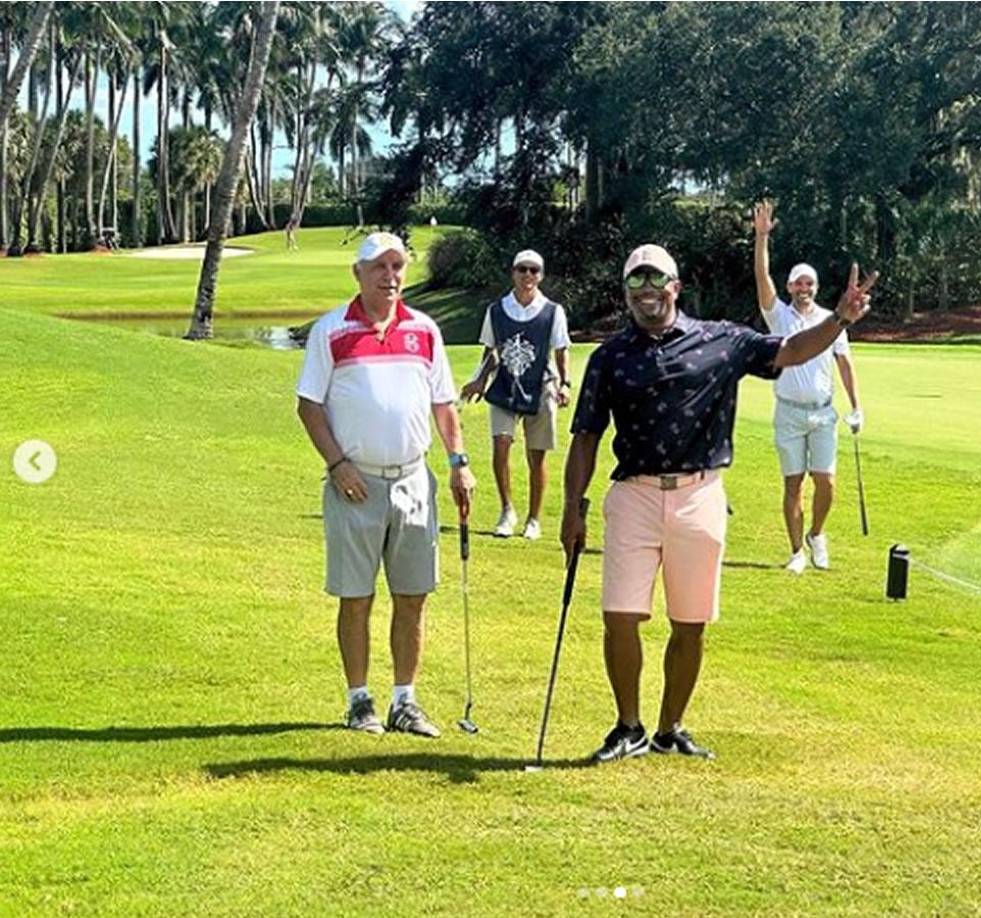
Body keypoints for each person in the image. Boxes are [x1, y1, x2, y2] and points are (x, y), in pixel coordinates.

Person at [561, 244, 875, 764]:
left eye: (654, 281)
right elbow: (586, 437)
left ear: (675, 287)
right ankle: (629, 726)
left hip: (699, 494)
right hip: (633, 493)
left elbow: (791, 351)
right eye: (635, 283)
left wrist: (840, 319)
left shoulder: (721, 340)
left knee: (690, 622)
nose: (645, 291)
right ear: (626, 293)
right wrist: (573, 507)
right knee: (620, 615)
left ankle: (669, 728)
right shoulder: (609, 357)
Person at [296, 231, 476, 737]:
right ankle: (359, 700)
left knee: (413, 595)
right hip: (355, 482)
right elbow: (308, 405)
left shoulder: (424, 330)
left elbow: (444, 403)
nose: (390, 276)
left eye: (397, 267)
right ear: (358, 273)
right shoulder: (332, 331)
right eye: (379, 267)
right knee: (356, 597)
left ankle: (405, 700)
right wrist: (337, 464)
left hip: (414, 479)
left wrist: (459, 461)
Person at [753, 201, 863, 573]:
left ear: (816, 288)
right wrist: (762, 238)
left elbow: (844, 363)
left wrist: (856, 406)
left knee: (826, 482)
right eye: (799, 283)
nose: (804, 288)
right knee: (793, 484)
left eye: (810, 283)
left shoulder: (831, 321)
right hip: (788, 412)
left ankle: (818, 534)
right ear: (789, 287)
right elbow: (761, 279)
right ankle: (797, 551)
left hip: (823, 412)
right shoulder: (778, 315)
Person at [460, 249, 572, 540]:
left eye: (534, 270)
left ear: (541, 275)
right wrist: (479, 381)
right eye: (522, 269)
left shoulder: (552, 311)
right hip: (505, 385)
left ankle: (534, 518)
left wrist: (565, 383)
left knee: (537, 456)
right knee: (501, 445)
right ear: (513, 273)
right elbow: (491, 352)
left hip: (541, 386)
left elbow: (561, 350)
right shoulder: (497, 310)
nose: (528, 276)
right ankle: (507, 510)